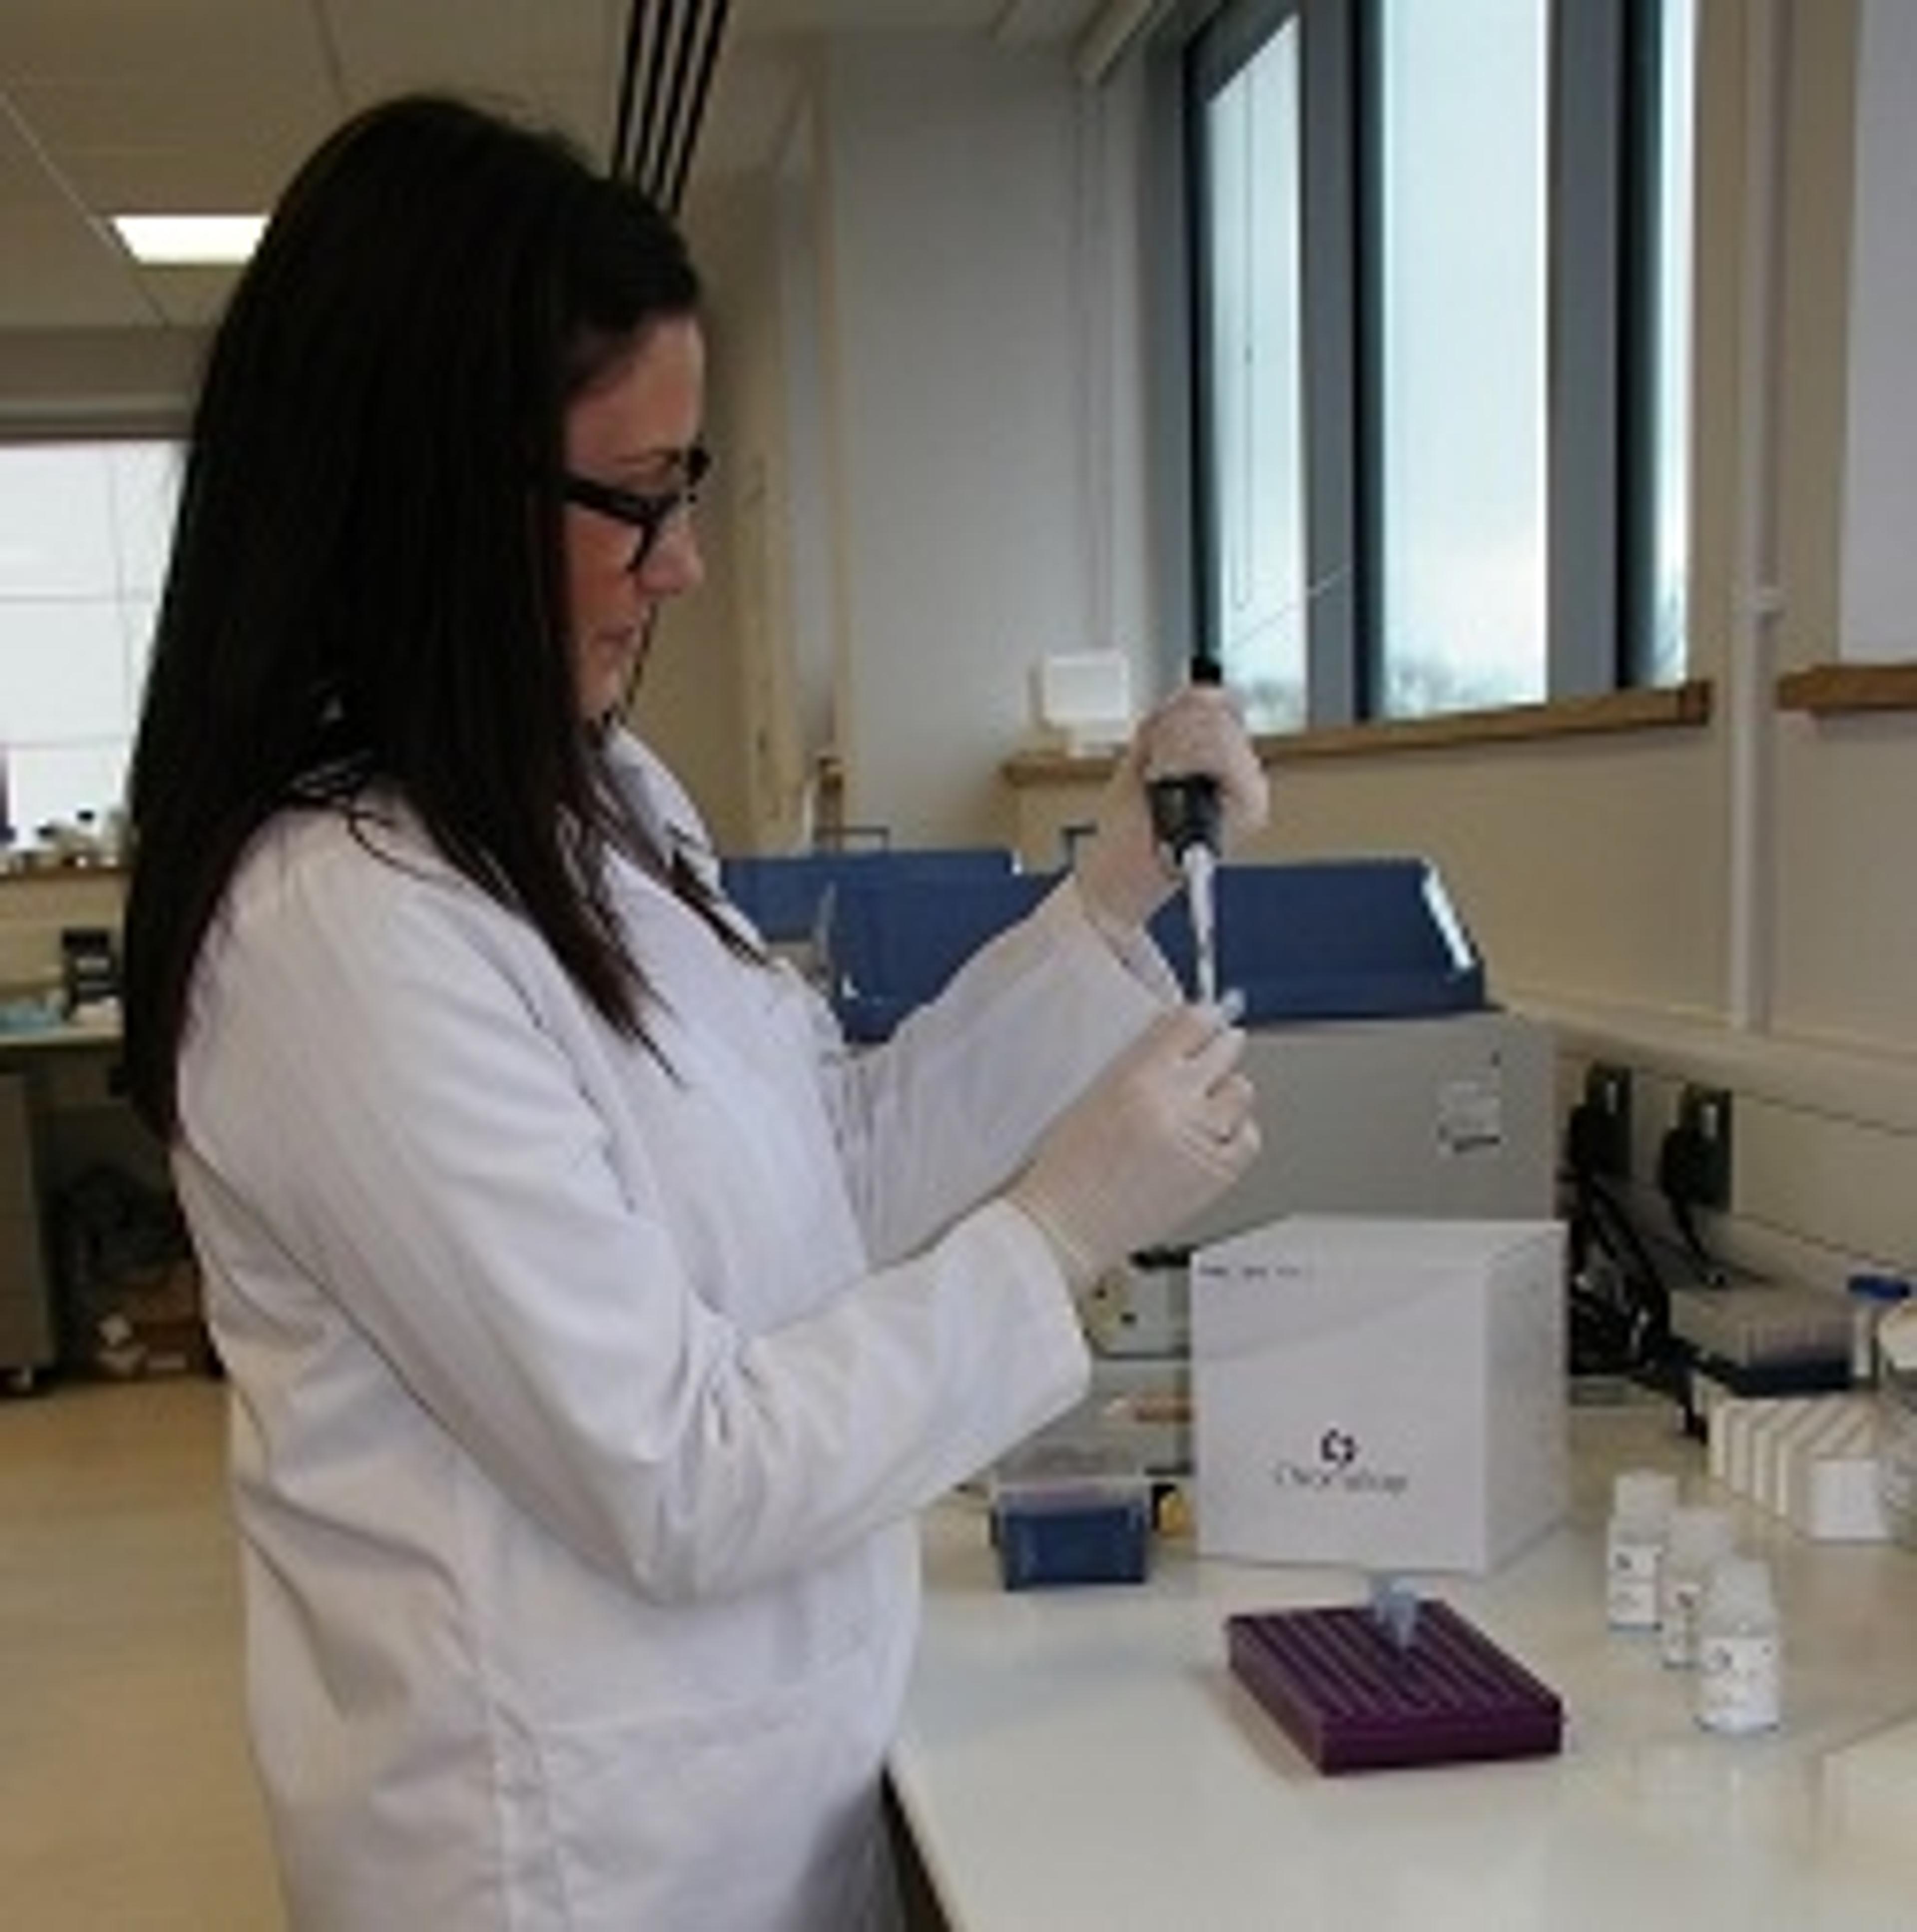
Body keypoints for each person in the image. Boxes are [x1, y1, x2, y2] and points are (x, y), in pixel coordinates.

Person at [121, 93, 1269, 1932]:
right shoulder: (335, 930)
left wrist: (1110, 893)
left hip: (772, 1783)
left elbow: (829, 1179)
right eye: (636, 499)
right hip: (570, 1860)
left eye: (689, 486)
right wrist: (1055, 1236)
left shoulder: (594, 798)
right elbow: (677, 1467)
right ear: (430, 495)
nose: (684, 564)